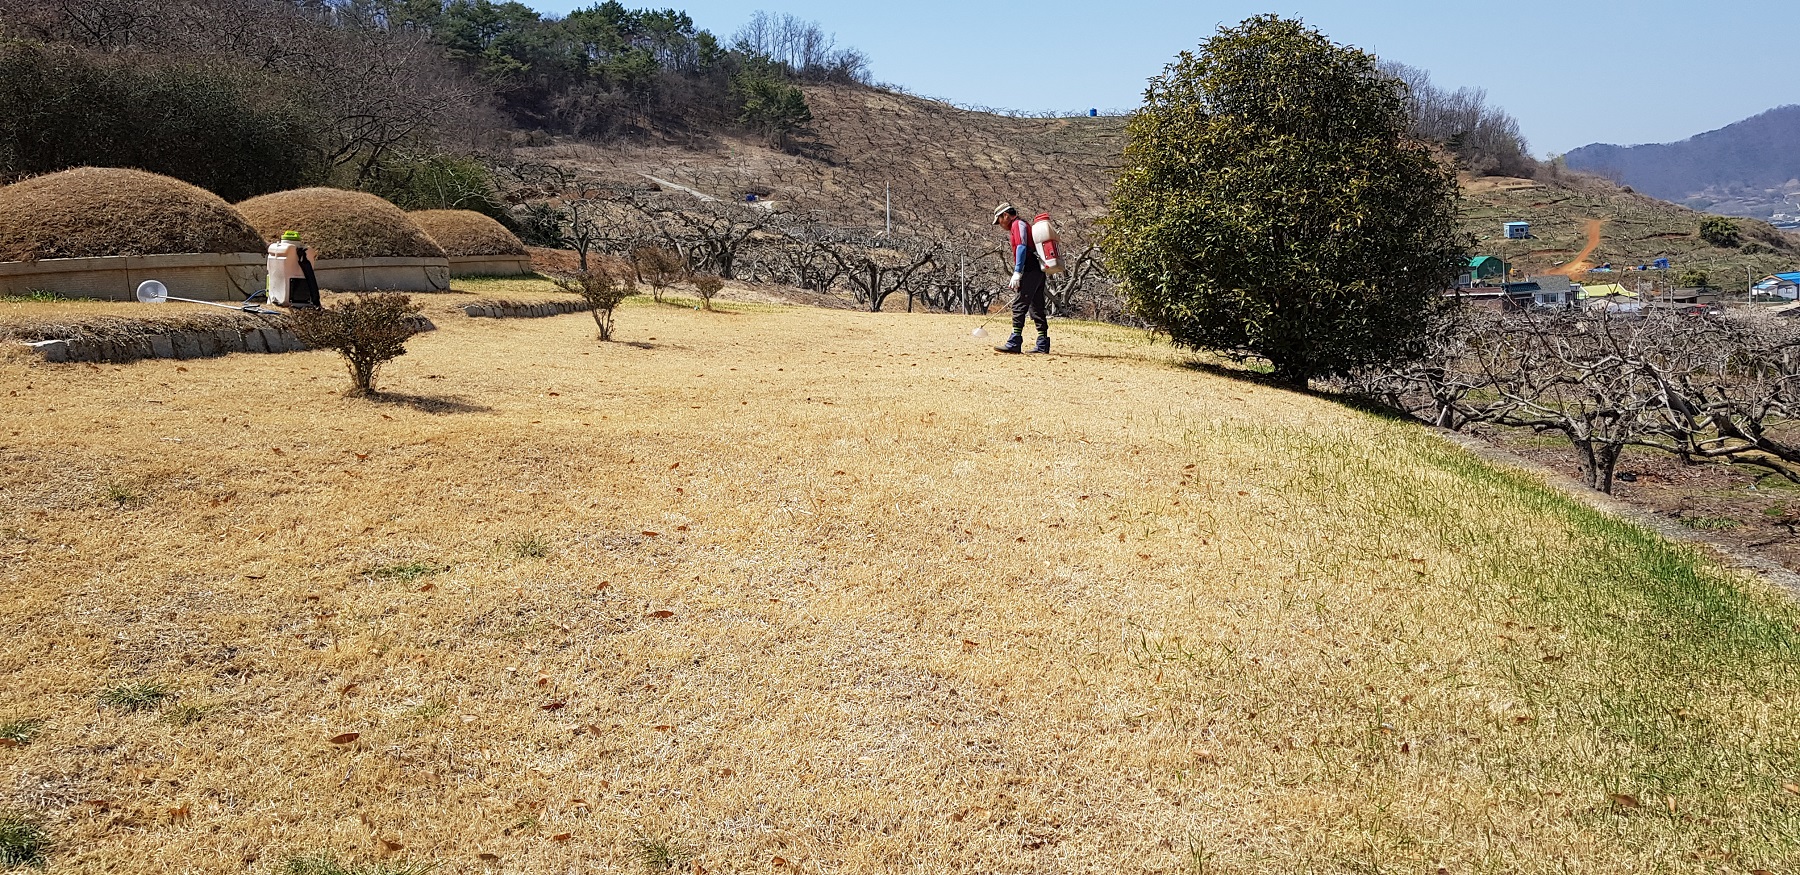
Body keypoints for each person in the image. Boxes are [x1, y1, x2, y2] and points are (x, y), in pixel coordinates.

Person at [992, 203, 1049, 354]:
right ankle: (1042, 343)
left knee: (1019, 305)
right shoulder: (1022, 224)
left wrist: (1017, 272)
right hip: (1038, 269)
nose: (1000, 224)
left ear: (1005, 215)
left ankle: (1014, 342)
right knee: (1036, 305)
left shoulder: (1017, 225)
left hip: (1029, 268)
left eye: (999, 220)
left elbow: (1021, 247)